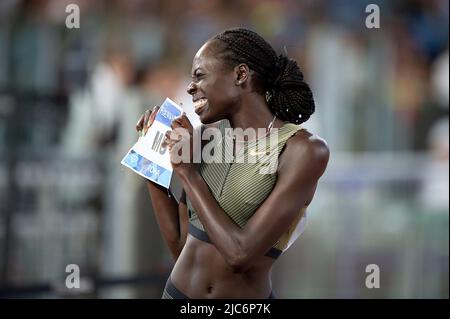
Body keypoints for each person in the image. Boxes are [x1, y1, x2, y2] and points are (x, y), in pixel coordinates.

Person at [136, 28, 329, 299]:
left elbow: (240, 255)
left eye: (199, 75)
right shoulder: (204, 138)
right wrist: (151, 163)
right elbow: (182, 247)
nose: (190, 87)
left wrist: (188, 173)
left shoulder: (304, 150)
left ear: (240, 75)